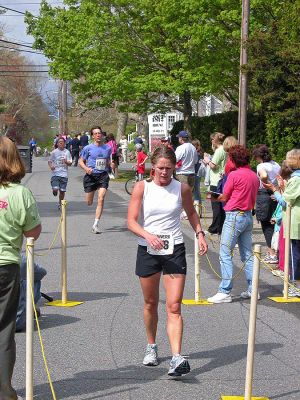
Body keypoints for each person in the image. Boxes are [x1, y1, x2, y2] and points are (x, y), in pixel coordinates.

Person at [127, 146, 208, 376]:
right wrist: (147, 235)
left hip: (174, 249)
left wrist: (199, 234)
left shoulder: (181, 188)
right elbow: (131, 221)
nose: (164, 173)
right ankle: (151, 346)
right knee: (151, 302)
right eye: (160, 168)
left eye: (169, 169)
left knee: (174, 305)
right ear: (153, 166)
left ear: (175, 168)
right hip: (148, 250)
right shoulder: (142, 187)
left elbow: (191, 213)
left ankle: (176, 357)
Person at [0, 136, 41, 400]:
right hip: (6, 265)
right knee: (3, 330)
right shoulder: (20, 193)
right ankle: (4, 391)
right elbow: (32, 230)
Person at [207, 145, 260, 303]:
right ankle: (253, 288)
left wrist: (211, 197)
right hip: (248, 215)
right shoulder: (253, 175)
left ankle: (225, 290)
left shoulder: (234, 175)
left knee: (225, 253)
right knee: (247, 254)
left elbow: (224, 197)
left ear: (233, 159)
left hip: (234, 216)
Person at [264, 149, 300, 296]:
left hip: (295, 221)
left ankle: (295, 285)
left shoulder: (296, 179)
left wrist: (274, 189)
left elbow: (285, 202)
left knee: (294, 254)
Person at [79, 126, 112, 234]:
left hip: (103, 175)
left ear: (102, 135)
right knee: (89, 202)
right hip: (91, 176)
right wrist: (86, 168)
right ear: (93, 136)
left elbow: (107, 161)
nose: (98, 135)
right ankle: (90, 199)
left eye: (100, 133)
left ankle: (95, 224)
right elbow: (81, 161)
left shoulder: (107, 148)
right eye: (96, 133)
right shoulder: (88, 148)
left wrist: (110, 164)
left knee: (101, 198)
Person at [252, 144, 280, 263]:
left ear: (259, 156)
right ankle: (276, 252)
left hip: (264, 194)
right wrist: (276, 188)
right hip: (275, 195)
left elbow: (263, 175)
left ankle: (271, 253)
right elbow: (281, 177)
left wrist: (267, 183)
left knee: (267, 225)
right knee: (275, 224)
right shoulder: (276, 164)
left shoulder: (261, 166)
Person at [203, 132, 227, 235]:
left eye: (211, 140)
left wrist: (207, 160)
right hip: (221, 180)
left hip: (215, 181)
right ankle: (220, 227)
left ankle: (214, 228)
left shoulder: (219, 150)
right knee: (221, 205)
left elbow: (213, 165)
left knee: (215, 206)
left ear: (214, 140)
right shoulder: (225, 149)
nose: (211, 142)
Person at [48, 137, 72, 210]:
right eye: (59, 142)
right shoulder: (54, 152)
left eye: (62, 142)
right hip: (55, 174)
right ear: (57, 144)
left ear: (65, 143)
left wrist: (66, 162)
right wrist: (51, 166)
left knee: (62, 191)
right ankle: (54, 190)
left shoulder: (67, 152)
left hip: (64, 174)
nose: (61, 143)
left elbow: (70, 163)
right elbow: (49, 161)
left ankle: (60, 203)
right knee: (56, 189)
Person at [191, 138, 204, 205]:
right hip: (198, 173)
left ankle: (197, 208)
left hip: (195, 173)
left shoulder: (196, 154)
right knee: (197, 190)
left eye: (192, 145)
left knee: (196, 191)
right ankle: (199, 207)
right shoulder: (200, 153)